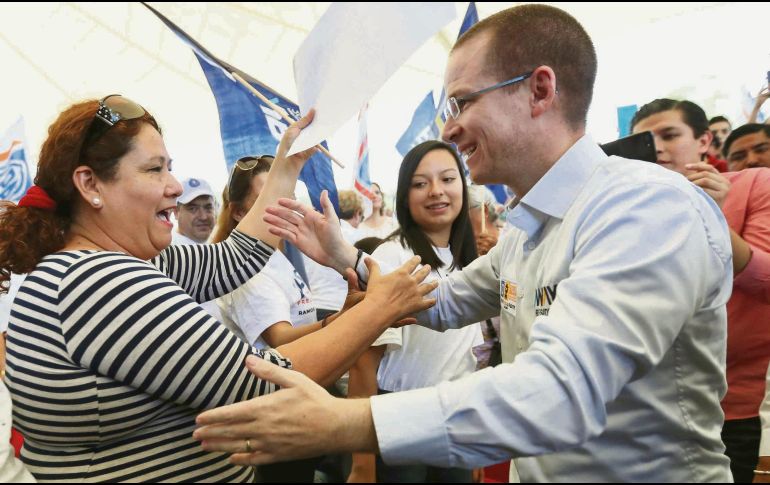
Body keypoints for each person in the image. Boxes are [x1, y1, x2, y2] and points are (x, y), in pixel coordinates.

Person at [194, 5, 733, 482]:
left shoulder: (643, 208)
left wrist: (344, 423)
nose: (449, 130)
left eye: (462, 103)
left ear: (540, 90)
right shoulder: (527, 229)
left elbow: (559, 395)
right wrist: (345, 256)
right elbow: (442, 300)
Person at [0, 96, 436, 482]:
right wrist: (378, 308)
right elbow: (267, 382)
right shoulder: (98, 282)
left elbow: (235, 257)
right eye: (155, 170)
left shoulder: (126, 261)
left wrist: (287, 164)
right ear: (90, 184)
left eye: (169, 167)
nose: (174, 185)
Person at [632, 98, 770, 483]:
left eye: (670, 134)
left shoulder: (754, 184)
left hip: (737, 406)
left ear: (704, 139)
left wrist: (706, 213)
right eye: (644, 140)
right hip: (655, 405)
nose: (657, 147)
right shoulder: (630, 209)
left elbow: (766, 280)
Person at [346, 140, 482, 483]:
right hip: (401, 419)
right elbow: (364, 358)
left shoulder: (469, 262)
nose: (437, 192)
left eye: (448, 179)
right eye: (421, 184)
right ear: (405, 196)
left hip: (459, 417)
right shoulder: (394, 257)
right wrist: (361, 465)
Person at [173, 177, 217, 245]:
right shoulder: (170, 252)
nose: (203, 217)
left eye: (208, 208)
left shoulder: (216, 245)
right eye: (193, 209)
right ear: (176, 212)